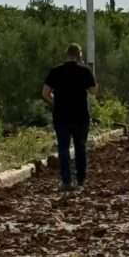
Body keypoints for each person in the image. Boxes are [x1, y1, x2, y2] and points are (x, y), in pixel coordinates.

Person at [42, 44, 97, 192]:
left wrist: (56, 102)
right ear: (79, 55)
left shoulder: (56, 71)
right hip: (80, 116)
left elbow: (45, 93)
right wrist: (88, 71)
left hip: (61, 116)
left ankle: (66, 181)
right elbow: (93, 91)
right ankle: (80, 181)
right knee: (80, 148)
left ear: (66, 54)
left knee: (63, 148)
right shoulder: (85, 71)